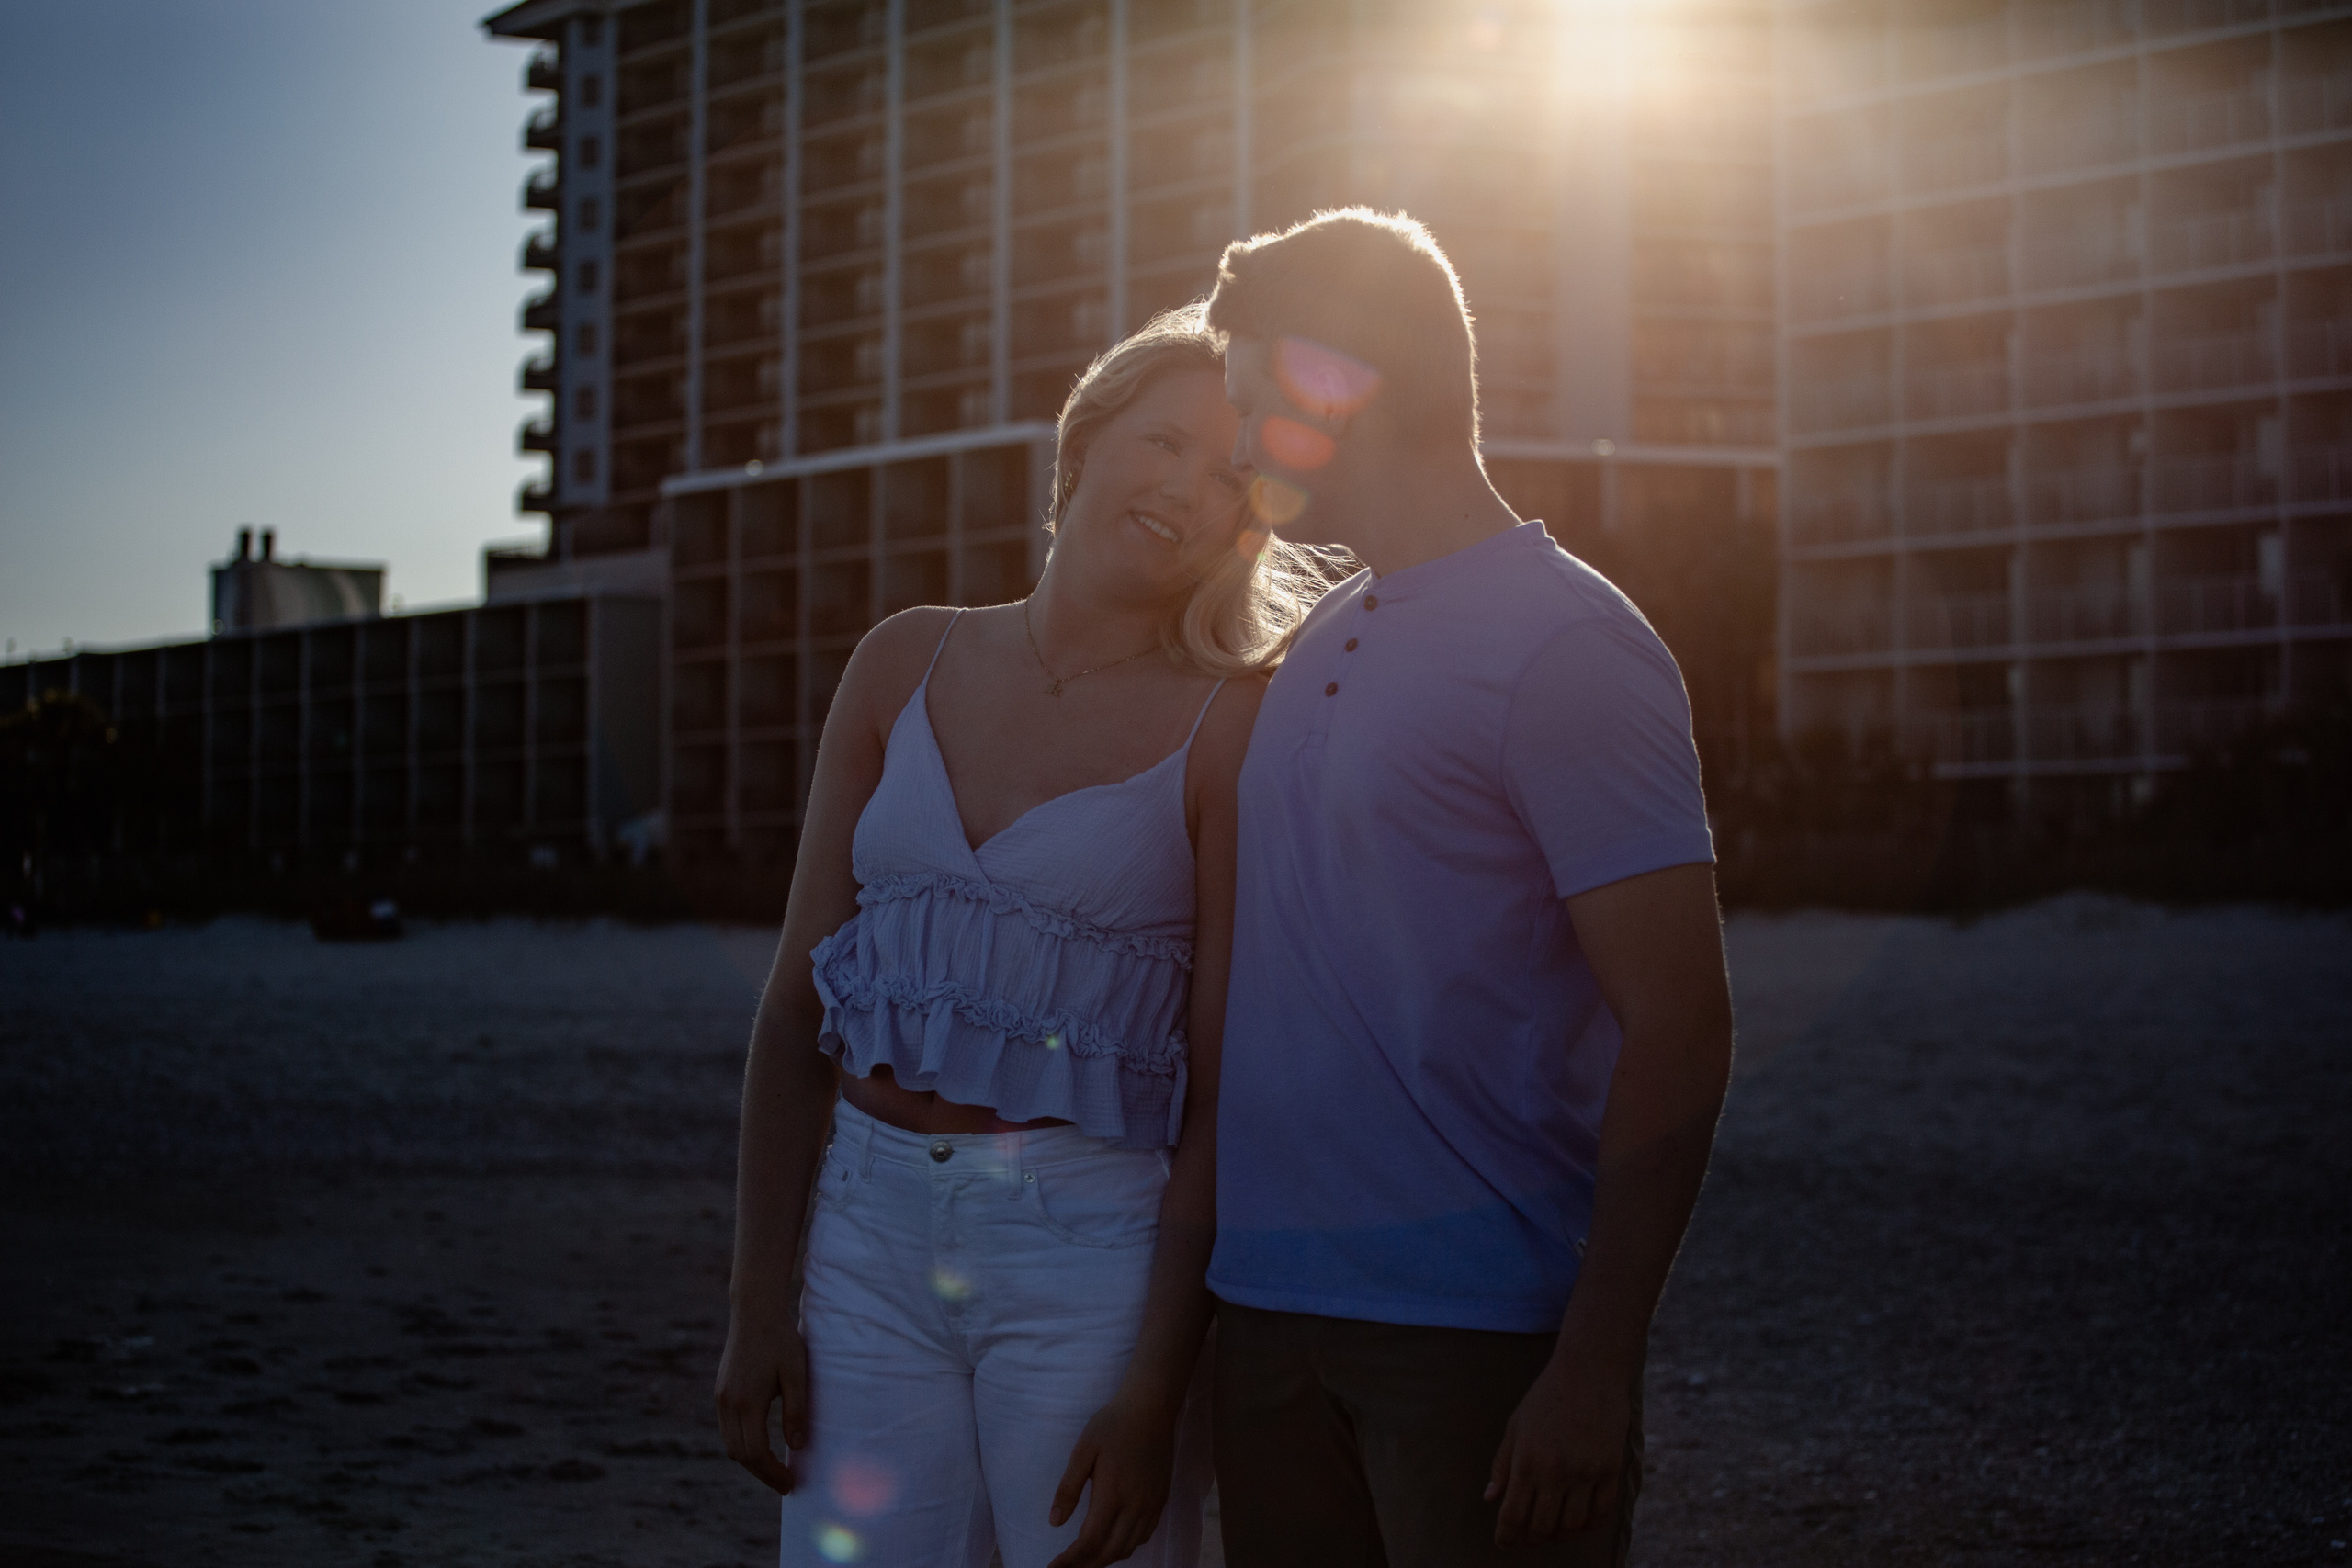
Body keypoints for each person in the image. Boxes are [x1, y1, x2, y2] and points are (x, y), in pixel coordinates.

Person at [716, 305, 1317, 1568]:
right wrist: (757, 1303)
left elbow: (1224, 1095)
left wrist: (1158, 1385)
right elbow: (791, 1015)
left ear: (1250, 523)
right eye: (1162, 442)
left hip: (1091, 1257)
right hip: (863, 1239)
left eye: (1229, 477)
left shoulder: (1231, 729)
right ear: (1083, 445)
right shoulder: (900, 664)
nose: (1184, 491)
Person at [1203, 209, 1736, 1566]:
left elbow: (1682, 1027)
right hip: (1259, 1321)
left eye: (1252, 395)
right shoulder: (1322, 627)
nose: (1234, 439)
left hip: (1475, 1340)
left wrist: (1596, 1370)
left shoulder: (1570, 646)